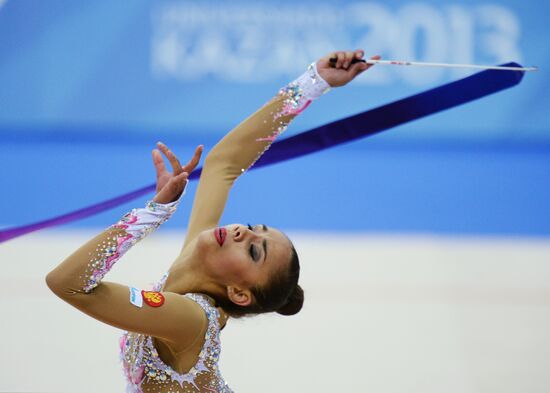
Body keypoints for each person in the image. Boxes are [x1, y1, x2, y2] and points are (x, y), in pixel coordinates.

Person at [46, 49, 380, 392]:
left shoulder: (188, 320)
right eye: (252, 228)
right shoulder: (196, 260)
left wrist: (154, 212)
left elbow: (67, 284)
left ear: (238, 293)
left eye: (254, 252)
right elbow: (223, 163)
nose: (241, 232)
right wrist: (314, 82)